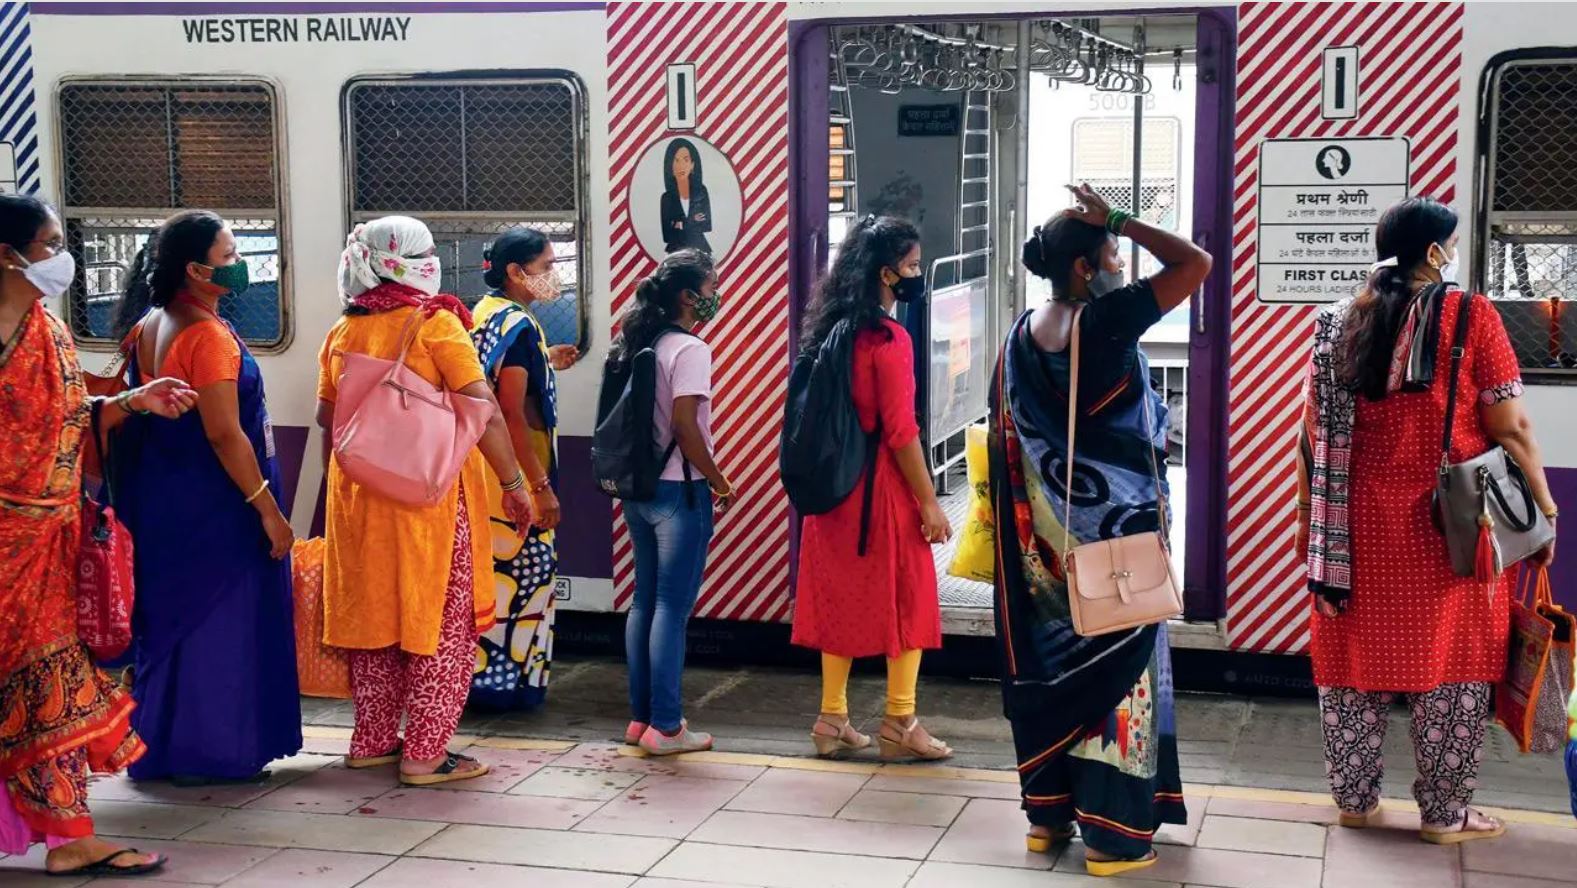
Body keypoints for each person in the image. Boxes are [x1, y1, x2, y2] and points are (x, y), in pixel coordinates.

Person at [1297, 196, 1557, 844]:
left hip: (1349, 531)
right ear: (1435, 252)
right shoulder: (1470, 314)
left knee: (1349, 662)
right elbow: (1510, 427)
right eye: (1453, 244)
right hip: (1449, 530)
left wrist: (1306, 519)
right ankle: (1445, 815)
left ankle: (1354, 801)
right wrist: (1543, 510)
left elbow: (1310, 432)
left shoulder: (1334, 320)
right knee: (1455, 665)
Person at [993, 185, 1211, 877]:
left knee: (1053, 668)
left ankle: (1047, 815)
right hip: (1116, 545)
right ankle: (1113, 837)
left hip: (1042, 550)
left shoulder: (1021, 331)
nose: (1122, 264)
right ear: (1086, 267)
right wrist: (1117, 216)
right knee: (1120, 678)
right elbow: (1195, 263)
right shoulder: (1109, 319)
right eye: (1114, 254)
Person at [0, 194, 198, 877]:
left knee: (47, 683)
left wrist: (129, 402)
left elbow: (62, 413)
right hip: (10, 540)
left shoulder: (47, 328)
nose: (63, 257)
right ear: (7, 255)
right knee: (37, 683)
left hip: (48, 541)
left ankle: (70, 836)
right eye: (51, 244)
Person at [317, 216, 534, 786]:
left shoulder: (344, 328)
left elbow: (326, 417)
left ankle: (371, 742)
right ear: (406, 263)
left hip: (359, 502)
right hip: (427, 502)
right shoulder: (435, 322)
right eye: (428, 251)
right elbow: (484, 410)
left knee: (376, 624)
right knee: (441, 625)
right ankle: (426, 755)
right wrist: (515, 485)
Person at [110, 210, 302, 785]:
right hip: (215, 500)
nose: (239, 265)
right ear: (196, 270)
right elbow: (224, 433)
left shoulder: (150, 322)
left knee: (172, 617)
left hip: (163, 493)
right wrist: (268, 510)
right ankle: (211, 753)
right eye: (230, 256)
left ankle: (162, 748)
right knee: (220, 619)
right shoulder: (209, 337)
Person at [790, 215, 953, 762]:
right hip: (881, 489)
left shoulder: (827, 332)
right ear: (886, 273)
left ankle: (831, 717)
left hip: (834, 492)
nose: (917, 275)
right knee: (908, 599)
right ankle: (900, 721)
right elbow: (901, 431)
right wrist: (928, 502)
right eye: (912, 266)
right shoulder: (889, 339)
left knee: (839, 597)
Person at [616, 248, 731, 755]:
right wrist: (719, 481)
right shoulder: (689, 349)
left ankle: (641, 719)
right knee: (671, 607)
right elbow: (686, 427)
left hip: (638, 489)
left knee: (643, 601)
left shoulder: (640, 339)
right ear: (688, 296)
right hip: (679, 490)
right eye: (711, 288)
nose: (715, 296)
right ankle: (667, 726)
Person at [468, 227, 579, 709]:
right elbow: (511, 411)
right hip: (513, 475)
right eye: (546, 266)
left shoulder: (487, 313)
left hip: (485, 471)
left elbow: (496, 378)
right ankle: (505, 686)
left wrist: (544, 362)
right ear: (516, 271)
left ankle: (481, 679)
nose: (553, 276)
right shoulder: (517, 326)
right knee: (526, 574)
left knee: (492, 576)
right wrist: (539, 486)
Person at [659, 138, 712, 254]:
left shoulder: (702, 191)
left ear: (692, 164)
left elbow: (706, 225)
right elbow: (667, 234)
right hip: (675, 250)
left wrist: (679, 224)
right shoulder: (666, 198)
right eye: (676, 161)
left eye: (686, 160)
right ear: (670, 166)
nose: (681, 166)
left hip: (700, 248)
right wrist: (692, 220)